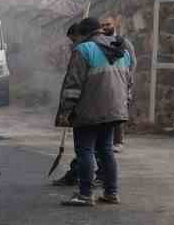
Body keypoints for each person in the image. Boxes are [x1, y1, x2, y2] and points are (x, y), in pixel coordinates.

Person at [55, 16, 132, 207]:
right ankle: (111, 193)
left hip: (89, 110)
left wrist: (66, 111)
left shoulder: (83, 50)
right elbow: (128, 82)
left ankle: (85, 194)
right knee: (105, 149)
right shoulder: (121, 49)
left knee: (85, 150)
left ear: (83, 34)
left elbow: (73, 85)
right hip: (115, 109)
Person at [101, 15, 136, 151]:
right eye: (103, 25)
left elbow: (132, 62)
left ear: (115, 24)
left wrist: (128, 81)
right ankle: (106, 141)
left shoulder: (124, 42)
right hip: (106, 80)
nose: (105, 27)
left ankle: (118, 141)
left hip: (121, 81)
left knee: (118, 110)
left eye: (108, 24)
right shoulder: (101, 42)